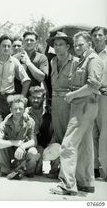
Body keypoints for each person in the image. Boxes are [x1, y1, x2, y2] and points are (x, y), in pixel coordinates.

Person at [50, 31, 103, 195]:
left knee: (68, 144)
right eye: (77, 45)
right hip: (84, 106)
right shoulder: (84, 60)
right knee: (85, 146)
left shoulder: (93, 60)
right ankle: (86, 182)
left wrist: (72, 95)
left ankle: (67, 184)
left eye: (81, 44)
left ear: (89, 44)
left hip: (84, 107)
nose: (78, 47)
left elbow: (93, 86)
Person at [46, 32, 78, 179]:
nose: (57, 48)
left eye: (61, 45)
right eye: (55, 45)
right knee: (57, 136)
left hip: (69, 103)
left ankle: (69, 174)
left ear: (68, 46)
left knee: (69, 138)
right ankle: (55, 169)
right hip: (55, 103)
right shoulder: (52, 62)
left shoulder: (76, 62)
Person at [0, 34, 31, 119]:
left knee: (12, 125)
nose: (6, 48)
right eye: (4, 46)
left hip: (10, 99)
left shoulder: (15, 61)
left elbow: (26, 80)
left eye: (9, 46)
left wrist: (21, 99)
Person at [0, 95, 40, 179]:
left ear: (24, 109)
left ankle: (27, 171)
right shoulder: (5, 123)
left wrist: (22, 146)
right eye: (15, 109)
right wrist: (14, 142)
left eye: (21, 109)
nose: (18, 111)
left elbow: (33, 141)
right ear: (11, 110)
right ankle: (5, 170)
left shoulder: (30, 121)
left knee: (33, 151)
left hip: (22, 150)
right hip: (10, 150)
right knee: (0, 145)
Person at [91, 26, 107, 180]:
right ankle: (94, 167)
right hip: (89, 97)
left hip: (104, 98)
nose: (97, 37)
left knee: (104, 135)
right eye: (94, 35)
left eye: (100, 35)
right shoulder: (89, 54)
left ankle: (105, 169)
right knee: (91, 132)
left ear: (105, 37)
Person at [26, 86, 51, 175]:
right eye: (33, 97)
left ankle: (54, 172)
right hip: (31, 145)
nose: (36, 100)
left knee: (57, 148)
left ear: (43, 98)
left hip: (47, 143)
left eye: (38, 98)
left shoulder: (49, 113)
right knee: (35, 172)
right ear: (29, 98)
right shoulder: (25, 113)